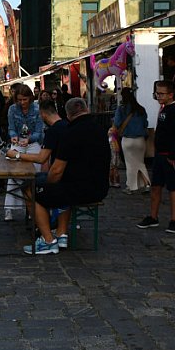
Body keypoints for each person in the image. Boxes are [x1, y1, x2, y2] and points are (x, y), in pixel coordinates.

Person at [23, 98, 110, 255]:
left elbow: (56, 171)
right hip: (99, 187)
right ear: (86, 109)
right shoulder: (100, 129)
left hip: (78, 190)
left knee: (30, 188)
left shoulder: (70, 133)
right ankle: (61, 233)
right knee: (58, 184)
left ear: (68, 114)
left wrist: (47, 185)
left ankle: (48, 240)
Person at [137, 80, 175, 234]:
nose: (158, 96)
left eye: (162, 93)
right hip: (159, 155)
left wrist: (173, 155)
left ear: (171, 94)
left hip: (169, 156)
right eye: (157, 93)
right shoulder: (163, 109)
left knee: (173, 187)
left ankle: (174, 220)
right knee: (156, 186)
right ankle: (153, 216)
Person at [4, 84, 44, 221]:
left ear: (30, 98)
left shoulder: (37, 110)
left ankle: (33, 208)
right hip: (18, 142)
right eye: (19, 100)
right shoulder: (12, 109)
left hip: (33, 143)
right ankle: (9, 209)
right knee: (13, 175)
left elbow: (39, 131)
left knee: (35, 173)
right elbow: (11, 128)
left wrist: (30, 139)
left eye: (25, 100)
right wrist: (13, 136)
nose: (22, 103)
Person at [115, 87, 150, 194]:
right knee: (140, 162)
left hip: (127, 140)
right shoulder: (141, 109)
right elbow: (146, 124)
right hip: (140, 140)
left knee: (130, 164)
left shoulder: (121, 109)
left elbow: (117, 123)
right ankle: (146, 184)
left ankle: (130, 187)